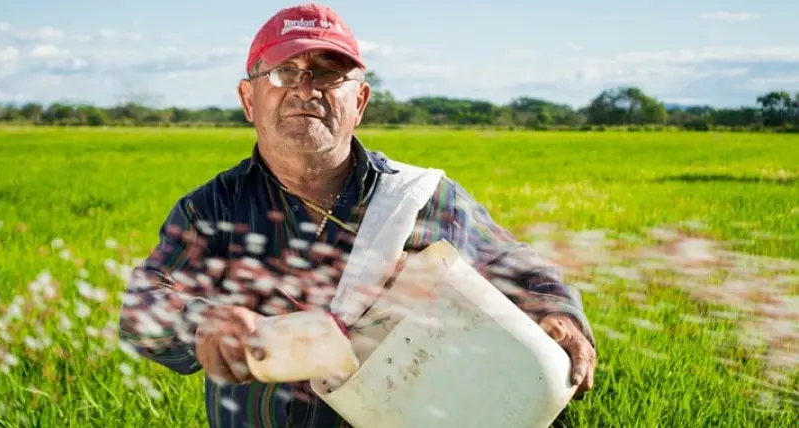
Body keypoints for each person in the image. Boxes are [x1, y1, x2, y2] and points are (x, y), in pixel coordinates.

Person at [118, 3, 596, 427]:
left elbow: (512, 263)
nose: (306, 89)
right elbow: (142, 306)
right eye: (283, 72)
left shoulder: (419, 198)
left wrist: (556, 310)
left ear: (360, 102)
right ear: (248, 99)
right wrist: (202, 324)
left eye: (328, 73)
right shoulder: (212, 209)